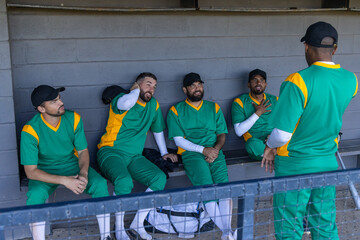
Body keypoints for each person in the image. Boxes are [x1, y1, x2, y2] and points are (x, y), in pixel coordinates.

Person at [261, 21, 358, 239]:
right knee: (324, 224)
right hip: (327, 162)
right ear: (335, 49)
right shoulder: (351, 80)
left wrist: (269, 147)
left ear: (306, 47)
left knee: (289, 226)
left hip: (295, 164)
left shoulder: (298, 81)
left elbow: (282, 134)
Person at [20, 85, 111, 240]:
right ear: (41, 108)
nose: (60, 102)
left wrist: (83, 173)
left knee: (100, 184)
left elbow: (82, 152)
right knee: (35, 195)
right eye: (54, 101)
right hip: (44, 170)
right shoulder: (30, 130)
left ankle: (106, 236)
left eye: (59, 98)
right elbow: (31, 171)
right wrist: (64, 181)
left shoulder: (73, 118)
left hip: (71, 164)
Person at [97, 72, 178, 240]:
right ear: (137, 84)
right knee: (124, 181)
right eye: (148, 84)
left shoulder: (153, 105)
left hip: (134, 156)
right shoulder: (122, 98)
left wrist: (164, 153)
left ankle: (137, 224)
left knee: (158, 178)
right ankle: (119, 229)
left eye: (155, 87)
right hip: (110, 152)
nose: (152, 89)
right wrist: (134, 90)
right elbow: (127, 103)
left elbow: (157, 129)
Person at [167, 72, 234, 240]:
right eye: (192, 85)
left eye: (199, 84)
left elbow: (221, 135)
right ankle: (227, 232)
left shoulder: (214, 107)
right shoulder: (176, 110)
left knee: (225, 189)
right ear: (185, 89)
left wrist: (215, 150)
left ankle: (227, 232)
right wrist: (203, 150)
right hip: (192, 154)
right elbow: (178, 140)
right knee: (207, 189)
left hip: (215, 151)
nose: (197, 88)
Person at [232, 69, 278, 160]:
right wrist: (258, 113)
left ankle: (271, 155)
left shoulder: (275, 99)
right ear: (248, 84)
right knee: (251, 144)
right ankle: (275, 156)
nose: (258, 83)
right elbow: (239, 131)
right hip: (258, 145)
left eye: (262, 80)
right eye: (254, 80)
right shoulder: (240, 102)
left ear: (266, 84)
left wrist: (274, 137)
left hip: (274, 141)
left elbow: (284, 122)